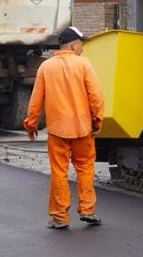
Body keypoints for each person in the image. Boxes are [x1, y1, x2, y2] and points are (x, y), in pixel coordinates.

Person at [24, 26, 105, 229]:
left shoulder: (46, 67)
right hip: (83, 129)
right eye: (81, 45)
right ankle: (88, 210)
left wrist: (31, 124)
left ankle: (60, 217)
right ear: (74, 45)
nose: (83, 49)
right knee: (85, 168)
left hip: (57, 130)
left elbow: (36, 101)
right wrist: (97, 121)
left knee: (59, 172)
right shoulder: (84, 64)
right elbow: (96, 96)